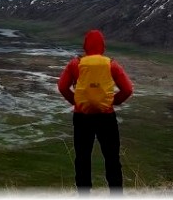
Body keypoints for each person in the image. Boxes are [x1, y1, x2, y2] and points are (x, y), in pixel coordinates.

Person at [57, 29, 134, 193]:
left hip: (82, 118)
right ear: (103, 46)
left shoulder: (75, 64)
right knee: (112, 158)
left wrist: (76, 102)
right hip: (106, 118)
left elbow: (62, 87)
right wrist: (112, 102)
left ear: (85, 45)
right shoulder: (111, 64)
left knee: (82, 159)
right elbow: (127, 89)